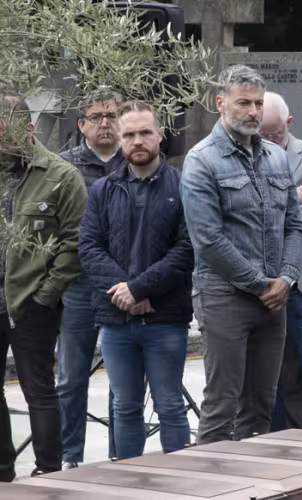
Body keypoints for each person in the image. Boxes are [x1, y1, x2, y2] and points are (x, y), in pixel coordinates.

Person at [182, 65, 302, 444]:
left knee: (261, 405)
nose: (252, 112)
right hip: (225, 297)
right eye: (243, 103)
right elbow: (208, 240)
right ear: (221, 104)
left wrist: (285, 279)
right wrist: (261, 285)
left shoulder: (276, 157)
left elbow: (294, 226)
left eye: (257, 103)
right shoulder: (201, 161)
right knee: (222, 404)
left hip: (273, 299)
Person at [79, 100, 193, 459]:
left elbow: (188, 249)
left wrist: (140, 288)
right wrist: (125, 292)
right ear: (120, 140)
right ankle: (127, 486)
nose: (137, 140)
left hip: (165, 318)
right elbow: (89, 247)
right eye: (129, 134)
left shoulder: (182, 186)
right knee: (124, 408)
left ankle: (183, 485)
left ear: (160, 135)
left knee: (170, 406)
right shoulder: (103, 190)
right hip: (117, 320)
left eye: (145, 132)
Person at [0, 94, 88, 479]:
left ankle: (48, 472)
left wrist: (45, 295)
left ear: (28, 128)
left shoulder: (61, 176)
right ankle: (3, 468)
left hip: (31, 301)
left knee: (39, 390)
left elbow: (74, 244)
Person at [55, 90, 127, 469]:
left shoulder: (136, 161)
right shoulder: (63, 167)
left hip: (124, 286)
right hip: (79, 285)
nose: (105, 123)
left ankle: (120, 455)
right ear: (81, 124)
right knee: (70, 377)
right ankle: (71, 457)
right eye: (96, 116)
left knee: (122, 378)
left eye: (112, 115)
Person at [260, 91, 302, 427]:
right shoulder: (246, 155)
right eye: (262, 135)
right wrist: (292, 199)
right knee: (272, 369)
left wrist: (271, 209)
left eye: (275, 134)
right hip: (264, 279)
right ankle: (275, 436)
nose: (269, 142)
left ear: (289, 123)